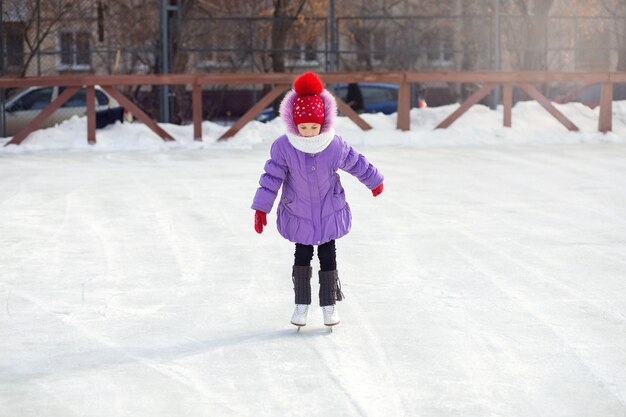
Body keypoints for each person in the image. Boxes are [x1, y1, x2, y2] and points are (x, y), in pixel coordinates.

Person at [251, 72, 384, 327]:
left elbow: (356, 162)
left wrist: (373, 180)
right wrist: (261, 208)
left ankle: (329, 306)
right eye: (304, 127)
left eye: (313, 127)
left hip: (328, 212)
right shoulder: (285, 147)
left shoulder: (333, 145)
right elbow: (271, 177)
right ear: (294, 124)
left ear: (322, 123)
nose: (309, 133)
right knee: (301, 256)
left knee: (328, 255)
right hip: (298, 213)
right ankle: (301, 305)